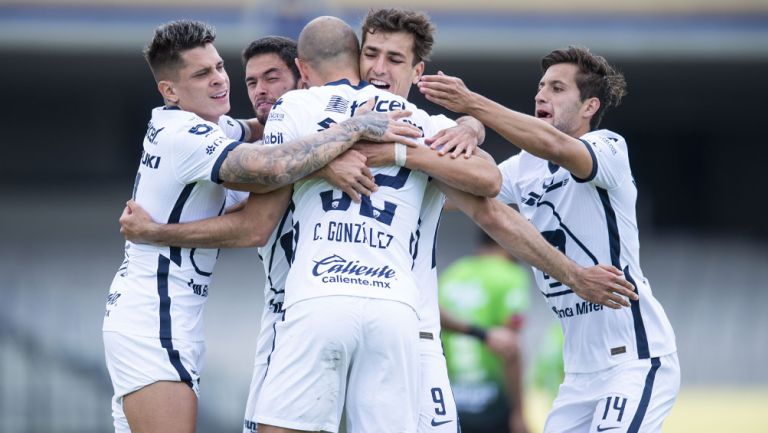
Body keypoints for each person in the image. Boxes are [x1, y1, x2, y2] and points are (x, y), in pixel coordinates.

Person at [102, 20, 421, 433]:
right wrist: (351, 129)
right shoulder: (184, 134)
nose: (221, 81)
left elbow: (264, 132)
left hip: (165, 314)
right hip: (154, 315)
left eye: (218, 68)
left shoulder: (217, 126)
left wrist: (471, 124)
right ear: (170, 91)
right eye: (202, 74)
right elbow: (268, 171)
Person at [418, 45, 680, 433]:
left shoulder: (608, 148)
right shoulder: (525, 167)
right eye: (541, 86)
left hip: (635, 360)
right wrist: (471, 127)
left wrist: (472, 103)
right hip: (577, 374)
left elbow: (554, 145)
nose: (541, 95)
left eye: (557, 88)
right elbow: (469, 191)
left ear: (589, 106)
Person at [438, 231, 531, 433]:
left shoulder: (453, 273)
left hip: (452, 402)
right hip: (493, 404)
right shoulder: (510, 276)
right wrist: (519, 411)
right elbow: (510, 348)